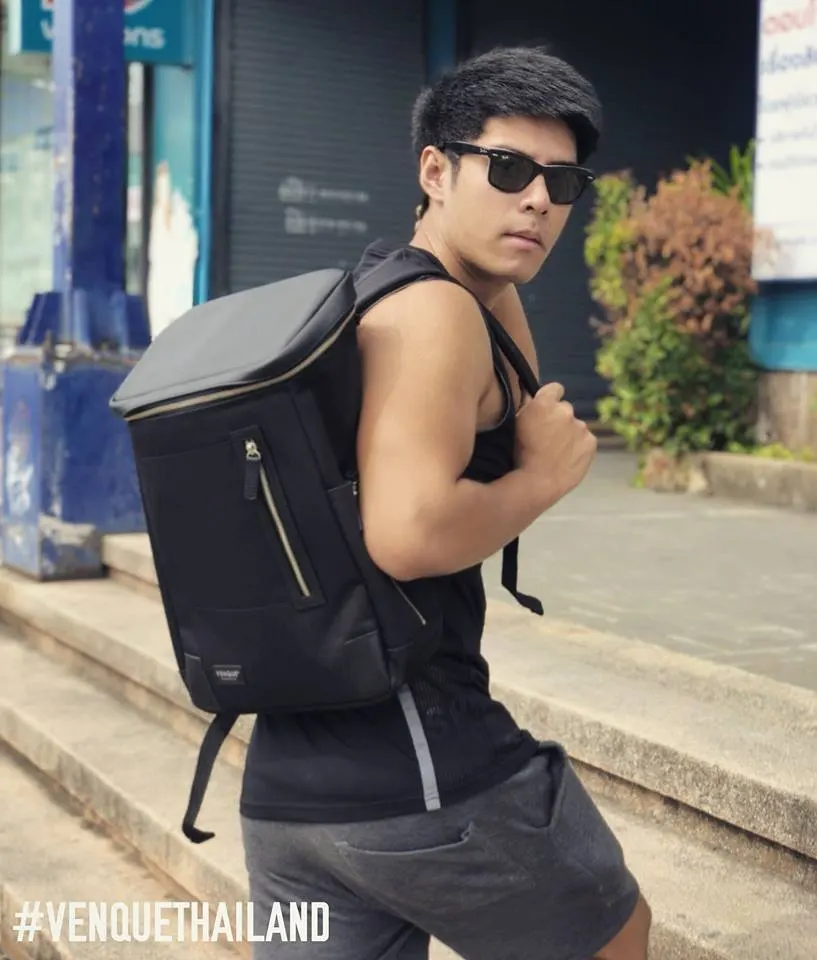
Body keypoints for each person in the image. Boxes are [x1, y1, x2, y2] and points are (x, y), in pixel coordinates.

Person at [240, 45, 652, 960]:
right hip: (421, 768)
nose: (537, 200)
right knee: (616, 934)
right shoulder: (433, 315)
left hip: (290, 783)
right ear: (434, 170)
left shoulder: (387, 286)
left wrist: (493, 258)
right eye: (506, 169)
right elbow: (408, 532)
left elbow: (515, 393)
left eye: (561, 182)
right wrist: (539, 483)